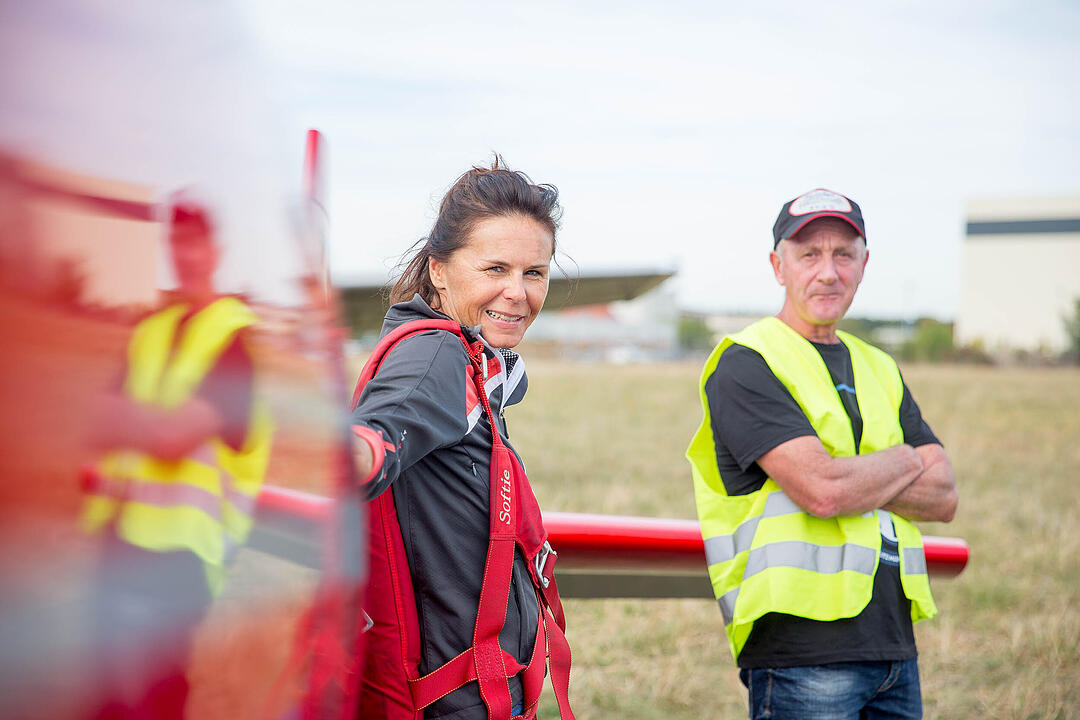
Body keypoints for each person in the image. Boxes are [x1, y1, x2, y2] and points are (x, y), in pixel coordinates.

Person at [686, 188, 958, 719]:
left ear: (864, 264)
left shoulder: (878, 365)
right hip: (801, 656)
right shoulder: (748, 361)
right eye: (809, 254)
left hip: (894, 648)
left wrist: (856, 474)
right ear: (777, 266)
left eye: (843, 254)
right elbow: (824, 490)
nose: (828, 272)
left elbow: (944, 496)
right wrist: (905, 459)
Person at [346, 160, 574, 720]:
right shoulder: (436, 356)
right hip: (455, 702)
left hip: (478, 691)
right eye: (495, 268)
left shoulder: (477, 364)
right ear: (440, 271)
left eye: (534, 273)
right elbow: (369, 445)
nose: (517, 293)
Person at [80, 197, 273, 719]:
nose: (184, 254)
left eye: (194, 242)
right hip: (117, 537)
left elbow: (171, 438)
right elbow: (94, 420)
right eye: (176, 241)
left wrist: (136, 419)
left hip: (181, 556)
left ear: (214, 251)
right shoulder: (151, 331)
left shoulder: (234, 341)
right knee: (104, 700)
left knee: (157, 699)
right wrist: (153, 423)